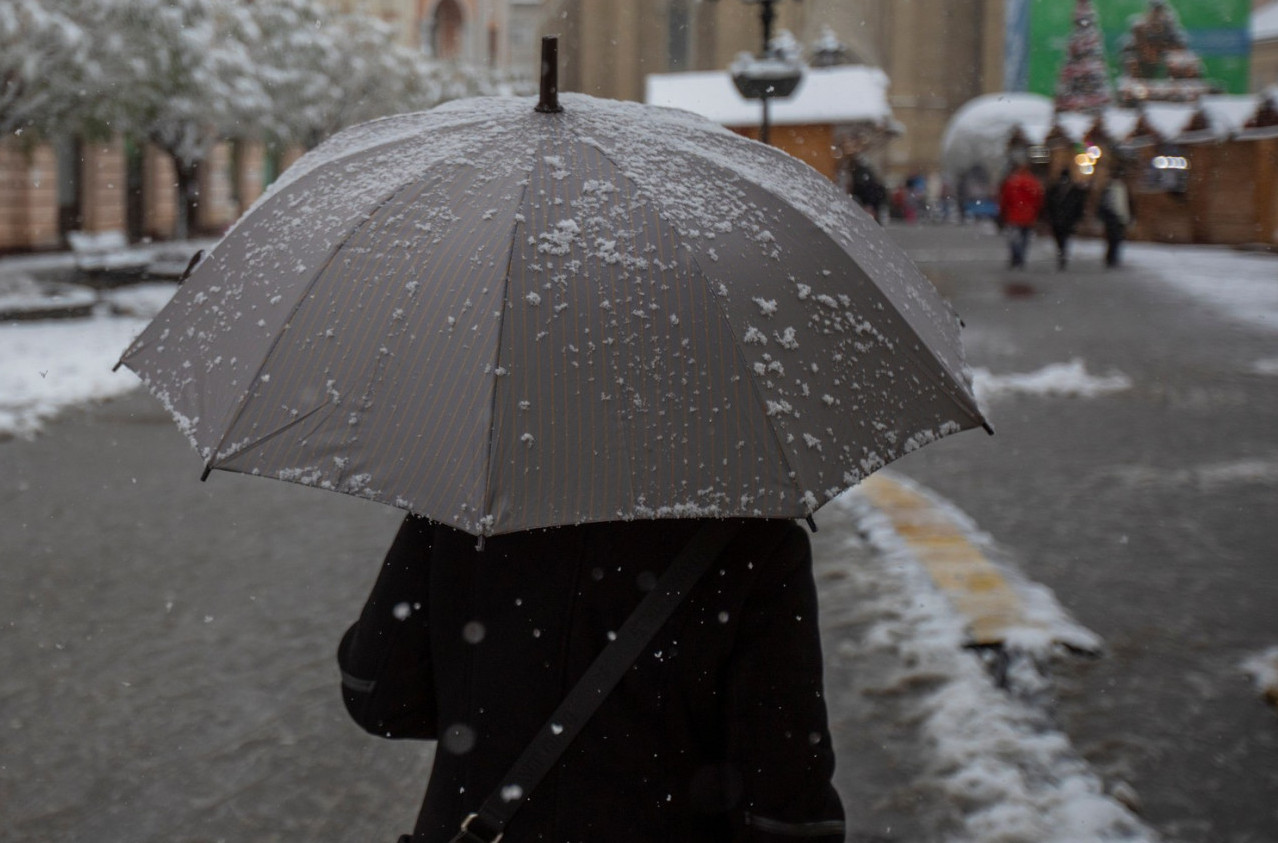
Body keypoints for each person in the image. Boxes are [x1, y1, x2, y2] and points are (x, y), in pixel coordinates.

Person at [338, 516, 846, 842]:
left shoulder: (464, 513)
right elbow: (786, 806)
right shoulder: (754, 542)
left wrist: (488, 698)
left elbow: (378, 698)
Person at [998, 161, 1045, 269]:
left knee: (1014, 238)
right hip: (1029, 215)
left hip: (1013, 215)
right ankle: (1021, 256)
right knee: (1025, 238)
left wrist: (1003, 211)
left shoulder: (1012, 182)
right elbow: (1039, 199)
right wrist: (1037, 212)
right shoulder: (1034, 182)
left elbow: (1005, 198)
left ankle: (1016, 256)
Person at [1044, 170, 1089, 270]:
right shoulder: (1058, 189)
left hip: (1066, 219)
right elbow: (1049, 204)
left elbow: (1079, 205)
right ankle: (1062, 252)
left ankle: (1062, 253)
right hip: (1061, 218)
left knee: (1063, 237)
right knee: (1061, 237)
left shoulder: (1071, 190)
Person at [1098, 174, 1132, 268]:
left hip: (1115, 219)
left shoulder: (1111, 189)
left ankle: (1111, 257)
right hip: (1115, 218)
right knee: (1115, 239)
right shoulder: (1119, 189)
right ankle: (1112, 258)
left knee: (1114, 239)